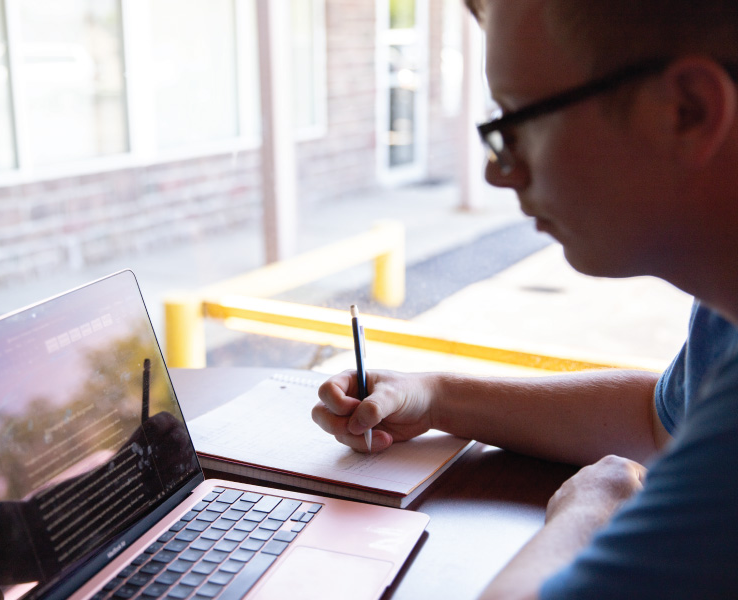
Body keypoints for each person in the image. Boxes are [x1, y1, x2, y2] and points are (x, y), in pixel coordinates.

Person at [312, 1, 738, 598]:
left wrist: (584, 517)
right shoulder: (724, 318)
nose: (498, 172)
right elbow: (658, 421)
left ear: (686, 112)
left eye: (520, 122)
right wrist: (436, 397)